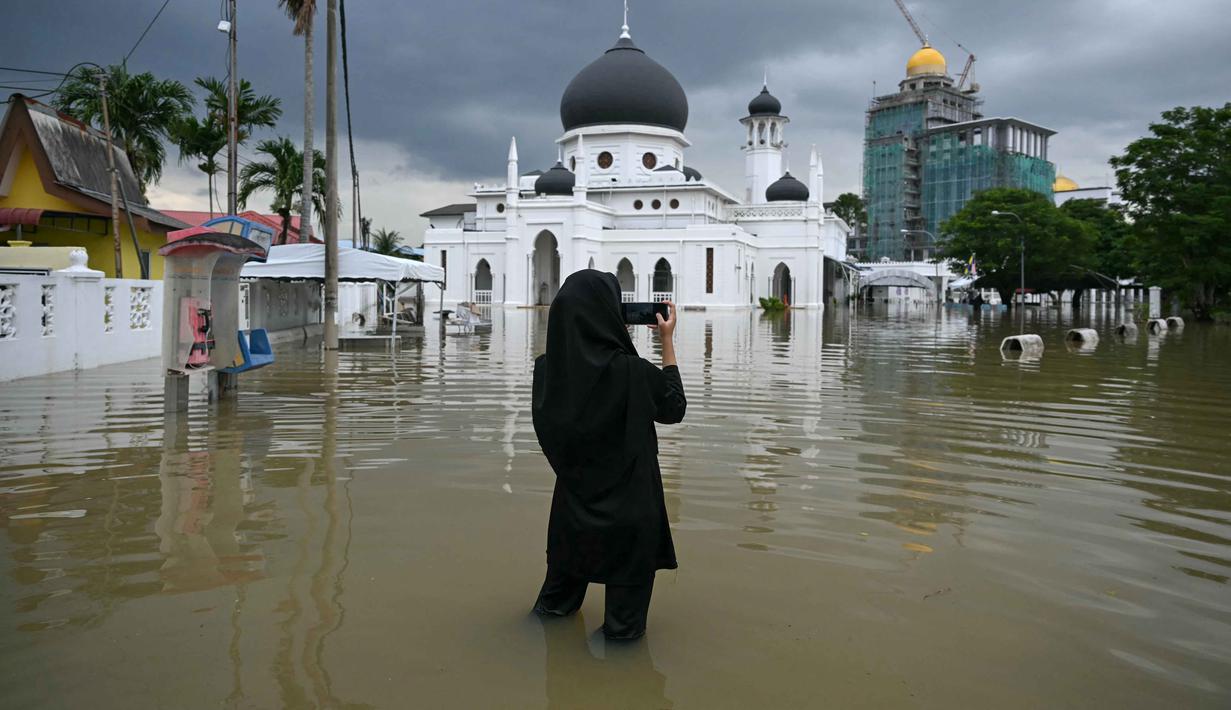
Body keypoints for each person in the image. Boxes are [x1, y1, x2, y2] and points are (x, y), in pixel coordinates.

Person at [531, 270, 687, 641]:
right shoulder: (632, 373)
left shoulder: (547, 373)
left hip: (572, 515)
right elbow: (674, 408)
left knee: (550, 615)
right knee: (623, 636)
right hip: (630, 520)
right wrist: (666, 341)